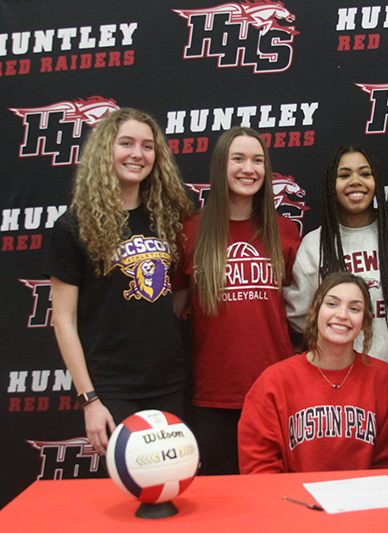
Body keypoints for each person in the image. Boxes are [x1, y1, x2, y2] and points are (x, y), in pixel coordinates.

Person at [43, 108, 194, 455]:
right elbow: (64, 320)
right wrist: (89, 399)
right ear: (105, 151)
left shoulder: (170, 217)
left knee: (171, 483)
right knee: (132, 488)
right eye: (125, 143)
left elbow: (180, 287)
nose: (137, 154)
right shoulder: (73, 226)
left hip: (170, 379)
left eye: (147, 146)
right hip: (112, 385)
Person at [172, 127, 301, 475]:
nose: (249, 168)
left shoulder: (285, 232)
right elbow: (174, 311)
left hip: (275, 389)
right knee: (223, 502)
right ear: (220, 166)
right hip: (214, 393)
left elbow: (303, 312)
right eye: (238, 159)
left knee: (276, 501)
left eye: (258, 160)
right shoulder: (191, 232)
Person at [239, 272, 388, 474]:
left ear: (364, 321)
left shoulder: (384, 379)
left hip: (363, 501)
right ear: (314, 311)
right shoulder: (274, 381)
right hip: (294, 502)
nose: (342, 315)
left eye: (354, 308)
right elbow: (259, 466)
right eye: (332, 304)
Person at [285, 145, 388, 362]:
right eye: (344, 175)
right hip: (341, 373)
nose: (356, 181)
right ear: (330, 184)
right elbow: (301, 318)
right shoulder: (314, 244)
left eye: (365, 174)